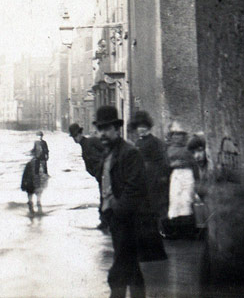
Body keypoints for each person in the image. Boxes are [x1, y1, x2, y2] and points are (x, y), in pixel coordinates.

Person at [95, 106, 167, 298]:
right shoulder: (108, 154)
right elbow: (104, 183)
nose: (102, 134)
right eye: (100, 129)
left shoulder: (129, 153)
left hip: (129, 220)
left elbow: (135, 188)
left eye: (107, 129)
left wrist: (117, 211)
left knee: (118, 271)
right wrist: (104, 211)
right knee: (133, 270)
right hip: (116, 219)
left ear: (117, 130)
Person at [129, 111, 170, 232]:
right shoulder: (138, 142)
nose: (141, 129)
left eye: (144, 127)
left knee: (155, 203)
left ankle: (160, 228)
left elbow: (162, 160)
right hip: (142, 176)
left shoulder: (155, 142)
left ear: (148, 127)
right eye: (139, 127)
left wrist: (162, 176)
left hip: (154, 175)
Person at [163, 121, 199, 239]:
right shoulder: (168, 150)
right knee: (175, 200)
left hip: (187, 174)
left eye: (180, 135)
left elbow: (194, 163)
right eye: (175, 135)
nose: (177, 137)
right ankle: (175, 229)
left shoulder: (188, 149)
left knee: (187, 200)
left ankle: (187, 229)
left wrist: (196, 178)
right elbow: (164, 164)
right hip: (175, 175)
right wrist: (172, 165)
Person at [68, 122, 107, 229]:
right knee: (104, 197)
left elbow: (107, 152)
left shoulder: (92, 141)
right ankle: (105, 221)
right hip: (100, 176)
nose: (75, 138)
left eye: (76, 135)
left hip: (105, 174)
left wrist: (103, 170)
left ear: (80, 134)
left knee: (106, 197)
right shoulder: (84, 146)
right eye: (73, 136)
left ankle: (106, 222)